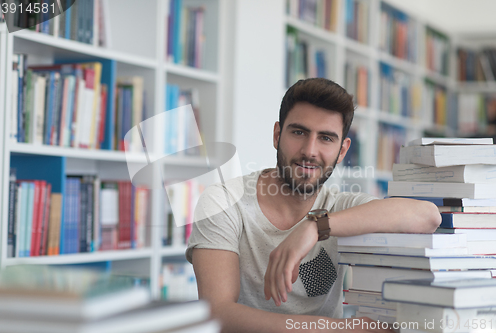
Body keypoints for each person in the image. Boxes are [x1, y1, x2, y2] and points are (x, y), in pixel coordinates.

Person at [186, 78, 441, 333]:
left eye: (326, 138)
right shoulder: (223, 201)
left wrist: (315, 227)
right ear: (277, 135)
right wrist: (340, 330)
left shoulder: (342, 207)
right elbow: (218, 313)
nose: (310, 150)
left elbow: (428, 216)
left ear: (342, 151)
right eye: (299, 132)